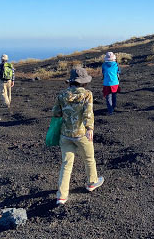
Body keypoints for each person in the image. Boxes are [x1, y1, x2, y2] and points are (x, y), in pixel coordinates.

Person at [52, 67, 104, 205]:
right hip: (81, 134)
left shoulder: (62, 95)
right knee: (89, 159)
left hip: (65, 134)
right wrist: (89, 128)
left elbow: (56, 113)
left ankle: (62, 196)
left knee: (66, 164)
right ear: (84, 82)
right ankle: (92, 183)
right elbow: (88, 112)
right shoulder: (87, 94)